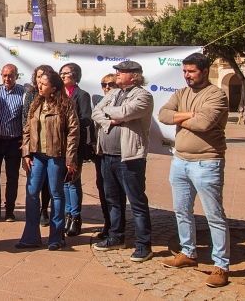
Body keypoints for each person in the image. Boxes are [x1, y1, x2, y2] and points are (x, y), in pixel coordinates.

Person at [158, 53, 230, 288]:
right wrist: (190, 115)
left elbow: (204, 124)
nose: (187, 75)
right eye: (185, 71)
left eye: (192, 71)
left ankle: (221, 265)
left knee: (214, 215)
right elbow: (163, 115)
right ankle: (188, 252)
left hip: (207, 162)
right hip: (180, 161)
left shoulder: (216, 95)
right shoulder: (181, 93)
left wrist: (179, 119)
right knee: (181, 210)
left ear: (205, 71)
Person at [92, 61, 154, 263]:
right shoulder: (112, 93)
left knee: (137, 202)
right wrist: (112, 118)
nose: (117, 73)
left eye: (122, 71)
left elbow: (127, 113)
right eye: (117, 71)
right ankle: (116, 237)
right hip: (107, 156)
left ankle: (144, 245)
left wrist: (110, 112)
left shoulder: (143, 95)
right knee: (113, 201)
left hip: (130, 158)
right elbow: (96, 112)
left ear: (134, 76)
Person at [16, 70, 79, 251]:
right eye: (39, 83)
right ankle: (31, 237)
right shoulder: (36, 104)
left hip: (56, 155)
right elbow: (27, 130)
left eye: (43, 84)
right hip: (37, 155)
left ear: (53, 88)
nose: (39, 86)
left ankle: (56, 237)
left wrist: (71, 159)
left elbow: (73, 133)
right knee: (32, 192)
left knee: (56, 194)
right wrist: (26, 154)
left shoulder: (66, 105)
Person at [59, 63, 94, 237]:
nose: (62, 76)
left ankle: (76, 217)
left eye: (66, 74)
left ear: (75, 76)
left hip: (75, 145)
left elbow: (87, 119)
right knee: (64, 182)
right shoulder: (58, 94)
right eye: (61, 73)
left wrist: (69, 124)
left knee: (73, 181)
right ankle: (66, 214)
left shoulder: (82, 95)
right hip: (60, 145)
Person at [0, 64, 25, 222]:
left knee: (12, 177)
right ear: (1, 76)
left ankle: (10, 210)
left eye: (10, 75)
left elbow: (27, 116)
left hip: (14, 142)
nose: (7, 78)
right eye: (4, 75)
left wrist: (25, 137)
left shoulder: (23, 92)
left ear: (16, 76)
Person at [21, 64, 55, 226]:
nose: (40, 80)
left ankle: (46, 213)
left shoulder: (61, 102)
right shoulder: (31, 96)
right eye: (38, 76)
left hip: (53, 152)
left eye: (43, 77)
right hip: (34, 149)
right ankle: (31, 229)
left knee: (52, 187)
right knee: (33, 187)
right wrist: (26, 148)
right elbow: (26, 121)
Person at [91, 73, 119, 239]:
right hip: (101, 153)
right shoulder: (99, 101)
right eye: (104, 84)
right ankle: (108, 223)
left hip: (119, 154)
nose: (107, 87)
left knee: (117, 193)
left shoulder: (123, 102)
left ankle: (117, 227)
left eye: (111, 84)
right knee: (103, 190)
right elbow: (96, 118)